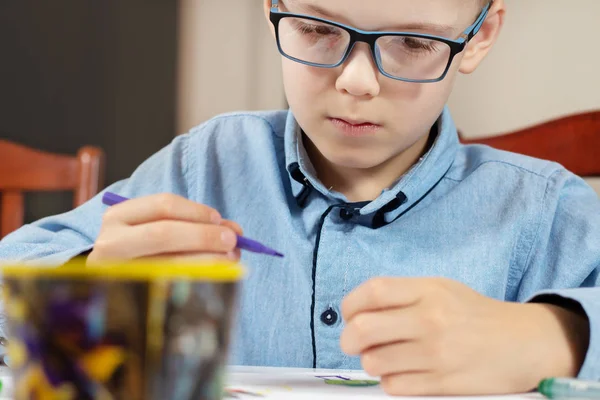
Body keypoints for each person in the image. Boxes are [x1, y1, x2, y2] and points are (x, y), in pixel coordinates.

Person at [1, 0, 598, 395]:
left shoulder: (541, 210)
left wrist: (555, 336)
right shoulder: (204, 164)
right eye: (316, 30)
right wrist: (87, 288)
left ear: (479, 35)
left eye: (414, 43)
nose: (357, 82)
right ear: (272, 8)